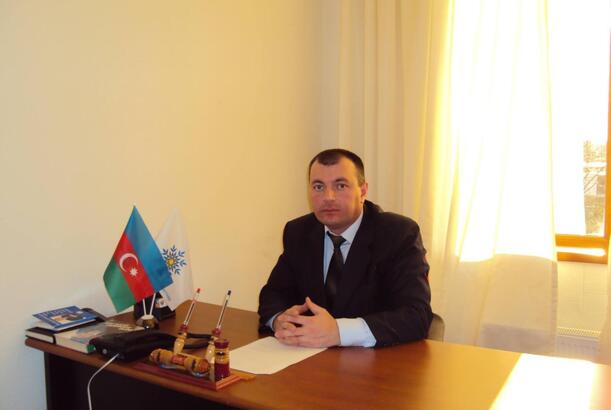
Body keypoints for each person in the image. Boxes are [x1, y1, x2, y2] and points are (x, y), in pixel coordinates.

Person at [258, 148, 432, 348]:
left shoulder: (398, 234)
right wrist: (280, 319)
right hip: (309, 356)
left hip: (377, 359)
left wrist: (339, 331)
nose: (328, 197)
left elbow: (416, 315)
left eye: (340, 186)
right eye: (318, 187)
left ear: (363, 191)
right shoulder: (298, 232)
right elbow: (273, 294)